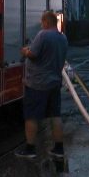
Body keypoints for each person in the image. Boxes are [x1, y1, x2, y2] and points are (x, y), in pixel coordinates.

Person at [16, 10, 69, 159]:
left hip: (37, 84)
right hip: (54, 83)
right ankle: (59, 148)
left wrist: (25, 51)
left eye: (42, 22)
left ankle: (30, 149)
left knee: (31, 116)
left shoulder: (43, 35)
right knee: (55, 115)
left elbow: (33, 54)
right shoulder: (62, 37)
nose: (41, 24)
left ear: (46, 22)